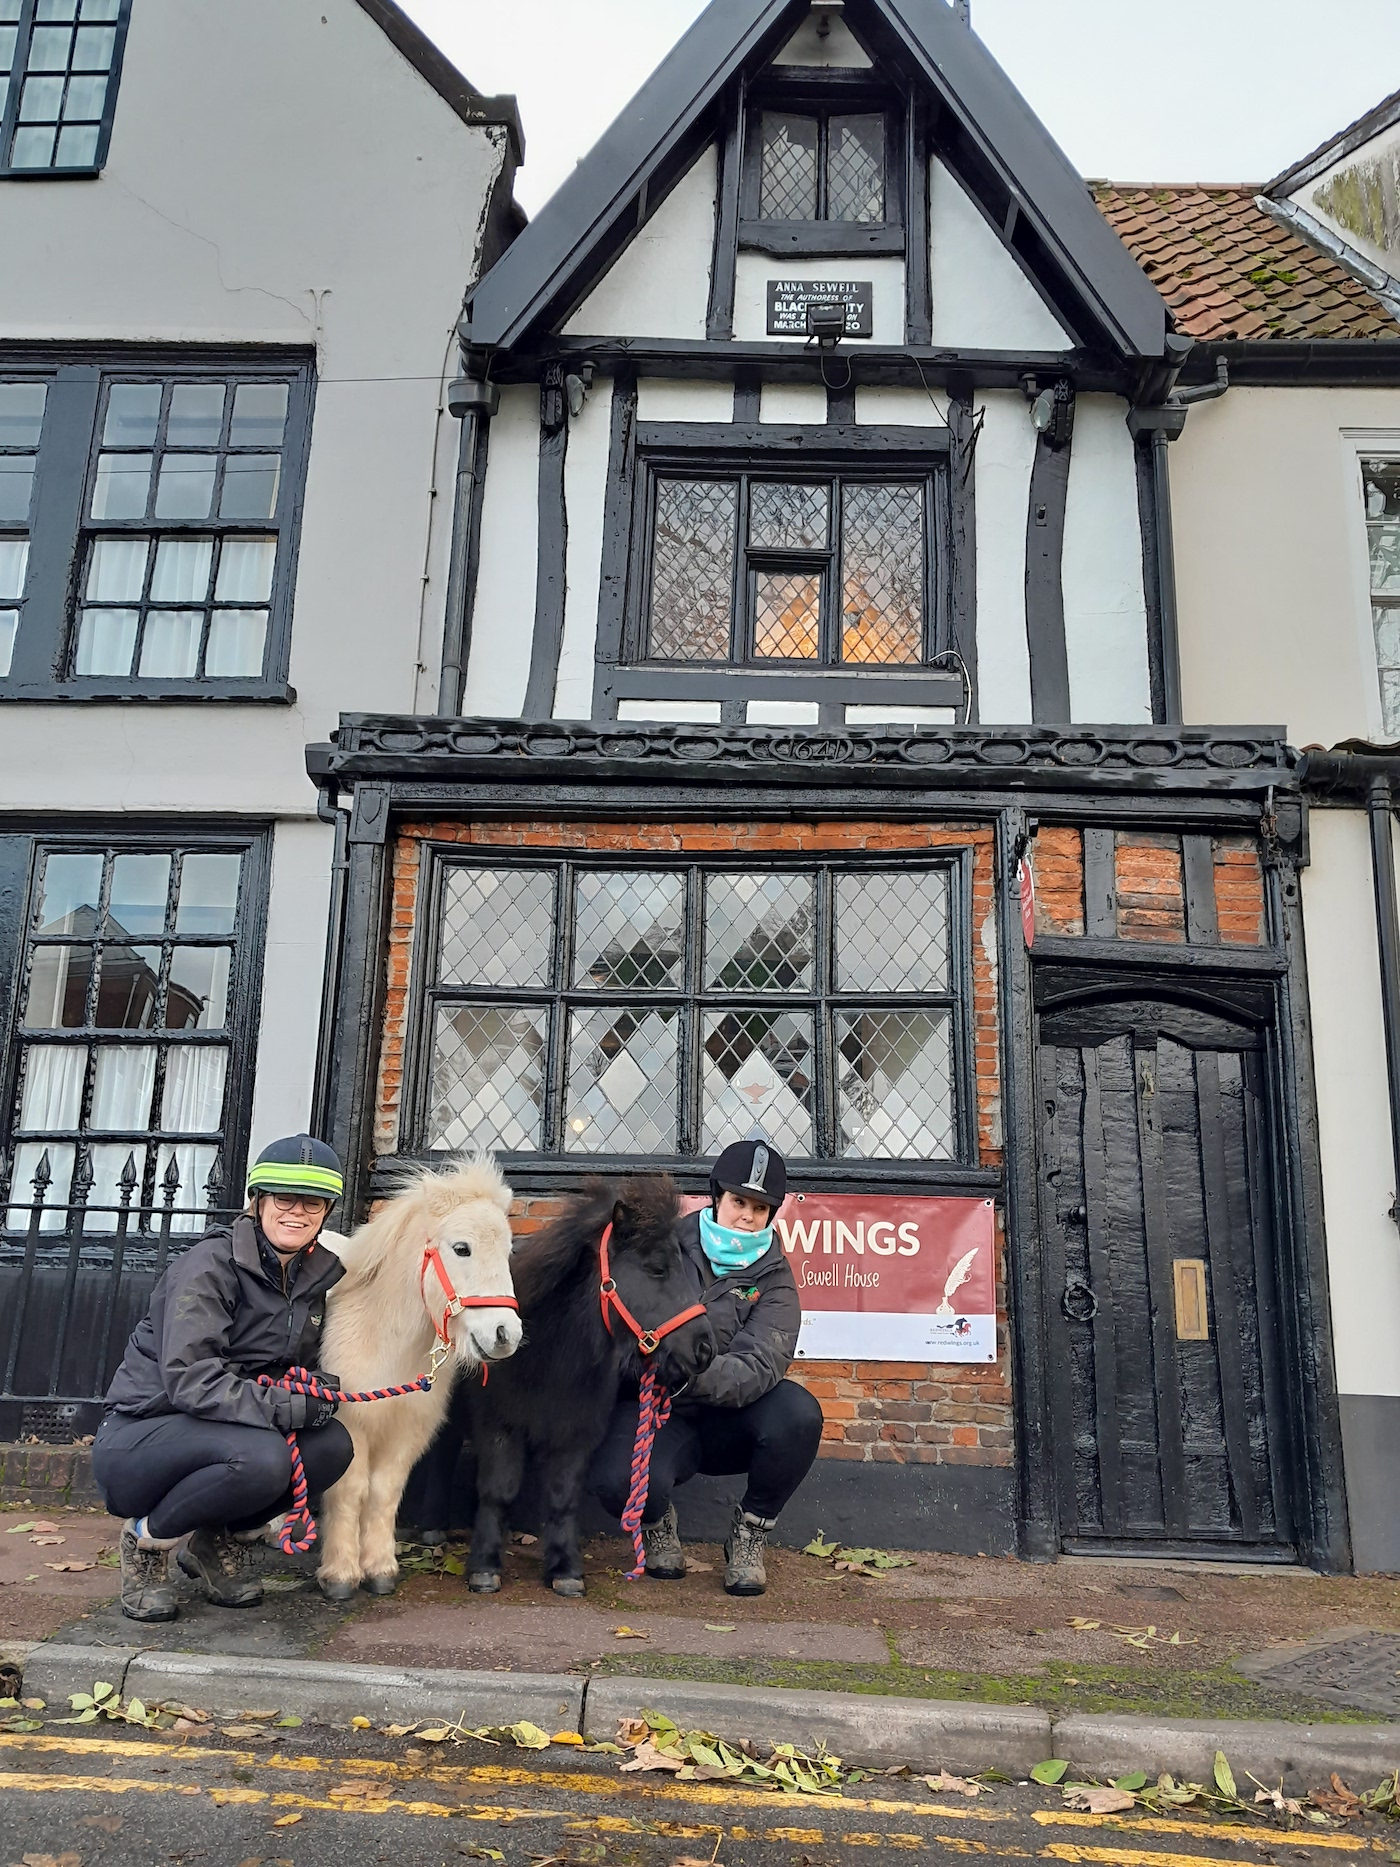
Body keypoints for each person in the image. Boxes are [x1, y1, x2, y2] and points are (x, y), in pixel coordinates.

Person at [91, 1134, 354, 1623]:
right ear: (257, 1201)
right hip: (142, 1436)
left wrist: (314, 1385)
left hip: (225, 1430)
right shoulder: (208, 1267)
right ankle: (147, 1541)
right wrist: (283, 1406)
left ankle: (217, 1543)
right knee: (261, 1458)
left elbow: (278, 1367)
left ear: (327, 1211)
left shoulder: (309, 1277)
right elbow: (190, 1380)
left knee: (332, 1444)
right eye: (284, 1199)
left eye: (313, 1203)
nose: (297, 1212)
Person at [589, 1138, 823, 1596]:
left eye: (760, 1208)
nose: (746, 1217)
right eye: (738, 1201)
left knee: (799, 1415)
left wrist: (686, 1373)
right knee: (614, 1479)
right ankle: (655, 1520)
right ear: (717, 1197)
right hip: (655, 1410)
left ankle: (752, 1530)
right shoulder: (666, 1245)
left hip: (729, 1417)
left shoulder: (774, 1278)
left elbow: (760, 1363)